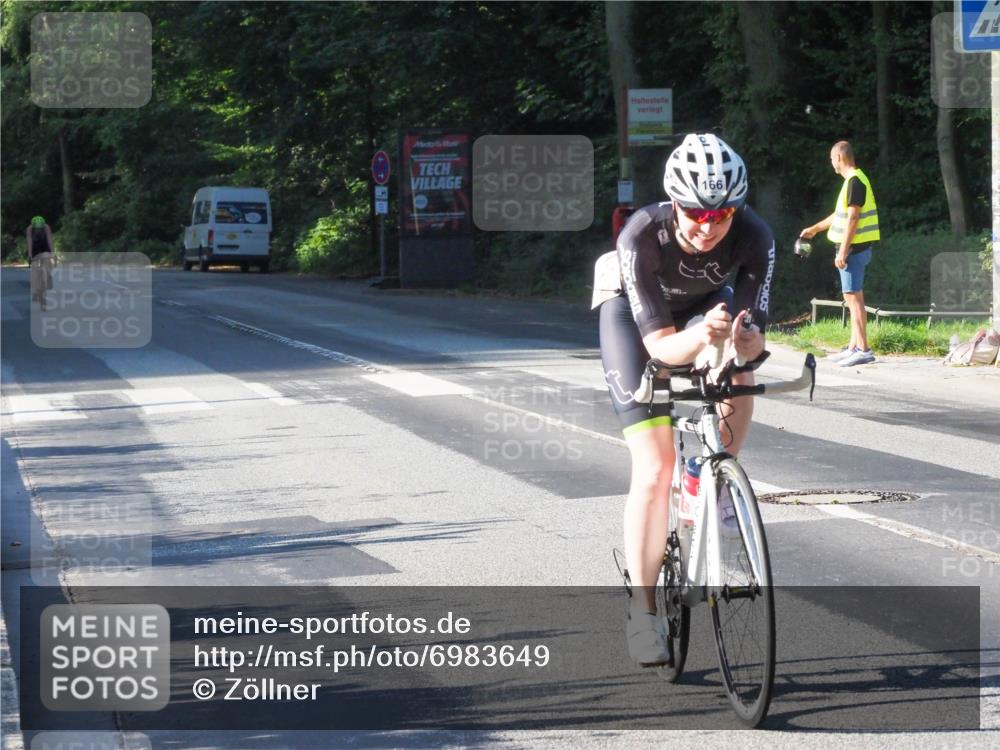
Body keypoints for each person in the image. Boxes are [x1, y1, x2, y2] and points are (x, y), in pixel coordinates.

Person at [593, 133, 774, 666]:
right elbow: (661, 348)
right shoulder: (641, 235)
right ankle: (642, 613)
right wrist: (700, 340)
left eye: (722, 214)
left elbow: (754, 331)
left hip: (703, 308)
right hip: (634, 318)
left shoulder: (755, 235)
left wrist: (747, 343)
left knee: (739, 371)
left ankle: (715, 479)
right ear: (675, 202)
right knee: (654, 467)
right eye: (696, 211)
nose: (709, 224)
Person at [799, 141, 880, 366]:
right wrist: (815, 229)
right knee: (852, 297)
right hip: (854, 248)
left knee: (854, 300)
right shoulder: (853, 181)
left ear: (839, 158)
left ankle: (864, 350)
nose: (831, 163)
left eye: (831, 159)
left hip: (854, 249)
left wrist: (843, 250)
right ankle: (853, 346)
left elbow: (853, 218)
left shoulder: (854, 182)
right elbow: (840, 214)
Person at [25, 215, 55, 311]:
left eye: (40, 229)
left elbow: (50, 240)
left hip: (44, 247)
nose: (38, 231)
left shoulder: (46, 227)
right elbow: (29, 242)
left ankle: (49, 275)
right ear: (33, 227)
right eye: (36, 229)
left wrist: (53, 253)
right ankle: (35, 291)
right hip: (35, 249)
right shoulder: (29, 229)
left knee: (47, 263)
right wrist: (30, 255)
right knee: (35, 272)